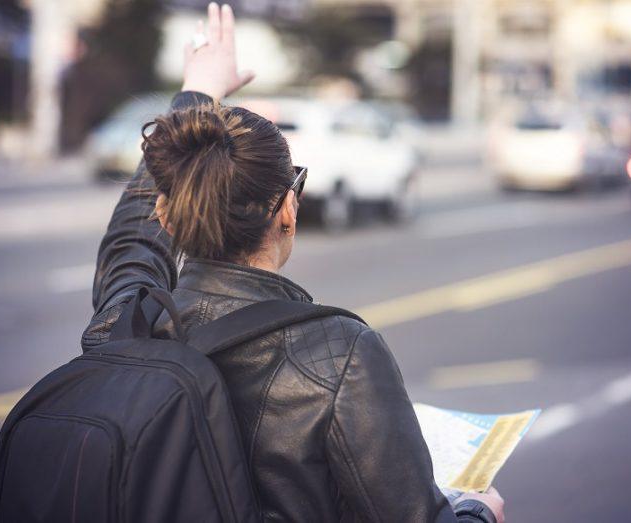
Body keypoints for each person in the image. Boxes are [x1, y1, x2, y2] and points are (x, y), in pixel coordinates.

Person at [82, 3, 506, 522]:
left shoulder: (127, 323)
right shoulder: (340, 354)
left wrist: (195, 95)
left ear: (165, 216)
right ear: (287, 209)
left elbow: (130, 244)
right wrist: (479, 512)